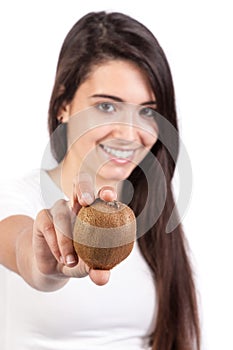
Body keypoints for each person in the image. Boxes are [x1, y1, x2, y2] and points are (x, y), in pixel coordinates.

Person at [0, 11, 200, 350]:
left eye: (148, 111)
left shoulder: (155, 215)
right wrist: (48, 264)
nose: (129, 134)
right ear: (63, 104)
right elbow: (23, 251)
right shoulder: (16, 200)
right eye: (107, 106)